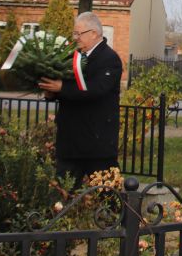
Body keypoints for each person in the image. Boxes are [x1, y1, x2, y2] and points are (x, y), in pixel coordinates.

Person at [37, 12, 123, 189]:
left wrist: (62, 88)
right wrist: (52, 92)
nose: (75, 38)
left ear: (94, 33)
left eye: (79, 33)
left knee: (107, 195)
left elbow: (96, 89)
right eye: (74, 33)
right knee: (63, 193)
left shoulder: (109, 58)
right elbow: (68, 87)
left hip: (97, 143)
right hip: (70, 142)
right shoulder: (73, 57)